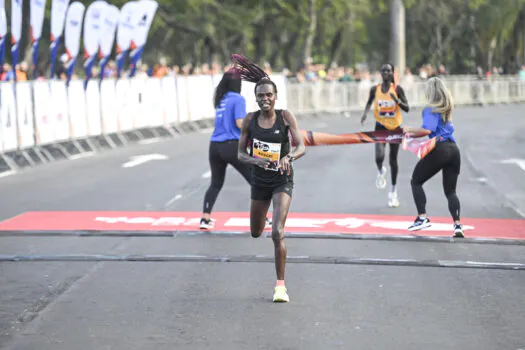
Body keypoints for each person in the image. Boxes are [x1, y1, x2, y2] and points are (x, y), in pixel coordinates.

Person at [233, 54, 306, 303]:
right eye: (261, 96)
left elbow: (302, 146)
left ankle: (280, 287)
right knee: (255, 232)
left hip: (282, 180)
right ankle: (262, 217)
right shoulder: (250, 120)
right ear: (255, 98)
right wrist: (257, 160)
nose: (265, 99)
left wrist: (290, 158)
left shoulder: (286, 118)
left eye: (269, 95)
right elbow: (240, 154)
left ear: (276, 97)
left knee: (277, 231)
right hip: (259, 181)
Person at [200, 69, 271, 229]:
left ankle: (205, 218)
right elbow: (239, 122)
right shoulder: (238, 99)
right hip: (231, 146)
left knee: (216, 184)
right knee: (255, 180)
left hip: (215, 146)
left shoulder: (221, 99)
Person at [403, 77, 463, 238]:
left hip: (441, 149)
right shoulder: (446, 109)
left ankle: (422, 217)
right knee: (451, 191)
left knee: (416, 181)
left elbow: (427, 130)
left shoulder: (430, 108)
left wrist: (408, 130)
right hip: (454, 150)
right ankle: (457, 225)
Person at [360, 63, 410, 207]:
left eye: (389, 70)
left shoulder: (397, 89)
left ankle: (393, 192)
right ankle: (381, 170)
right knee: (379, 157)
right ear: (380, 73)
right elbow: (369, 102)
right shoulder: (375, 89)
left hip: (395, 128)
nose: (386, 73)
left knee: (393, 160)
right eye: (384, 70)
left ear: (393, 73)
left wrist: (397, 101)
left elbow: (407, 108)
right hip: (380, 126)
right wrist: (364, 115)